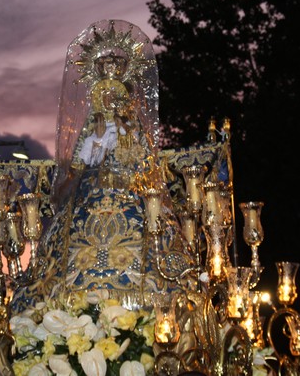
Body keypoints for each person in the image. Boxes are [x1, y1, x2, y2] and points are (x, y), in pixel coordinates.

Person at [12, 20, 178, 312]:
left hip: (129, 188)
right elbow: (78, 162)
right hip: (90, 189)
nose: (111, 101)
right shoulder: (94, 125)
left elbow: (142, 159)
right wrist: (95, 148)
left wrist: (125, 144)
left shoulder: (131, 127)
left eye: (116, 95)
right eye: (106, 95)